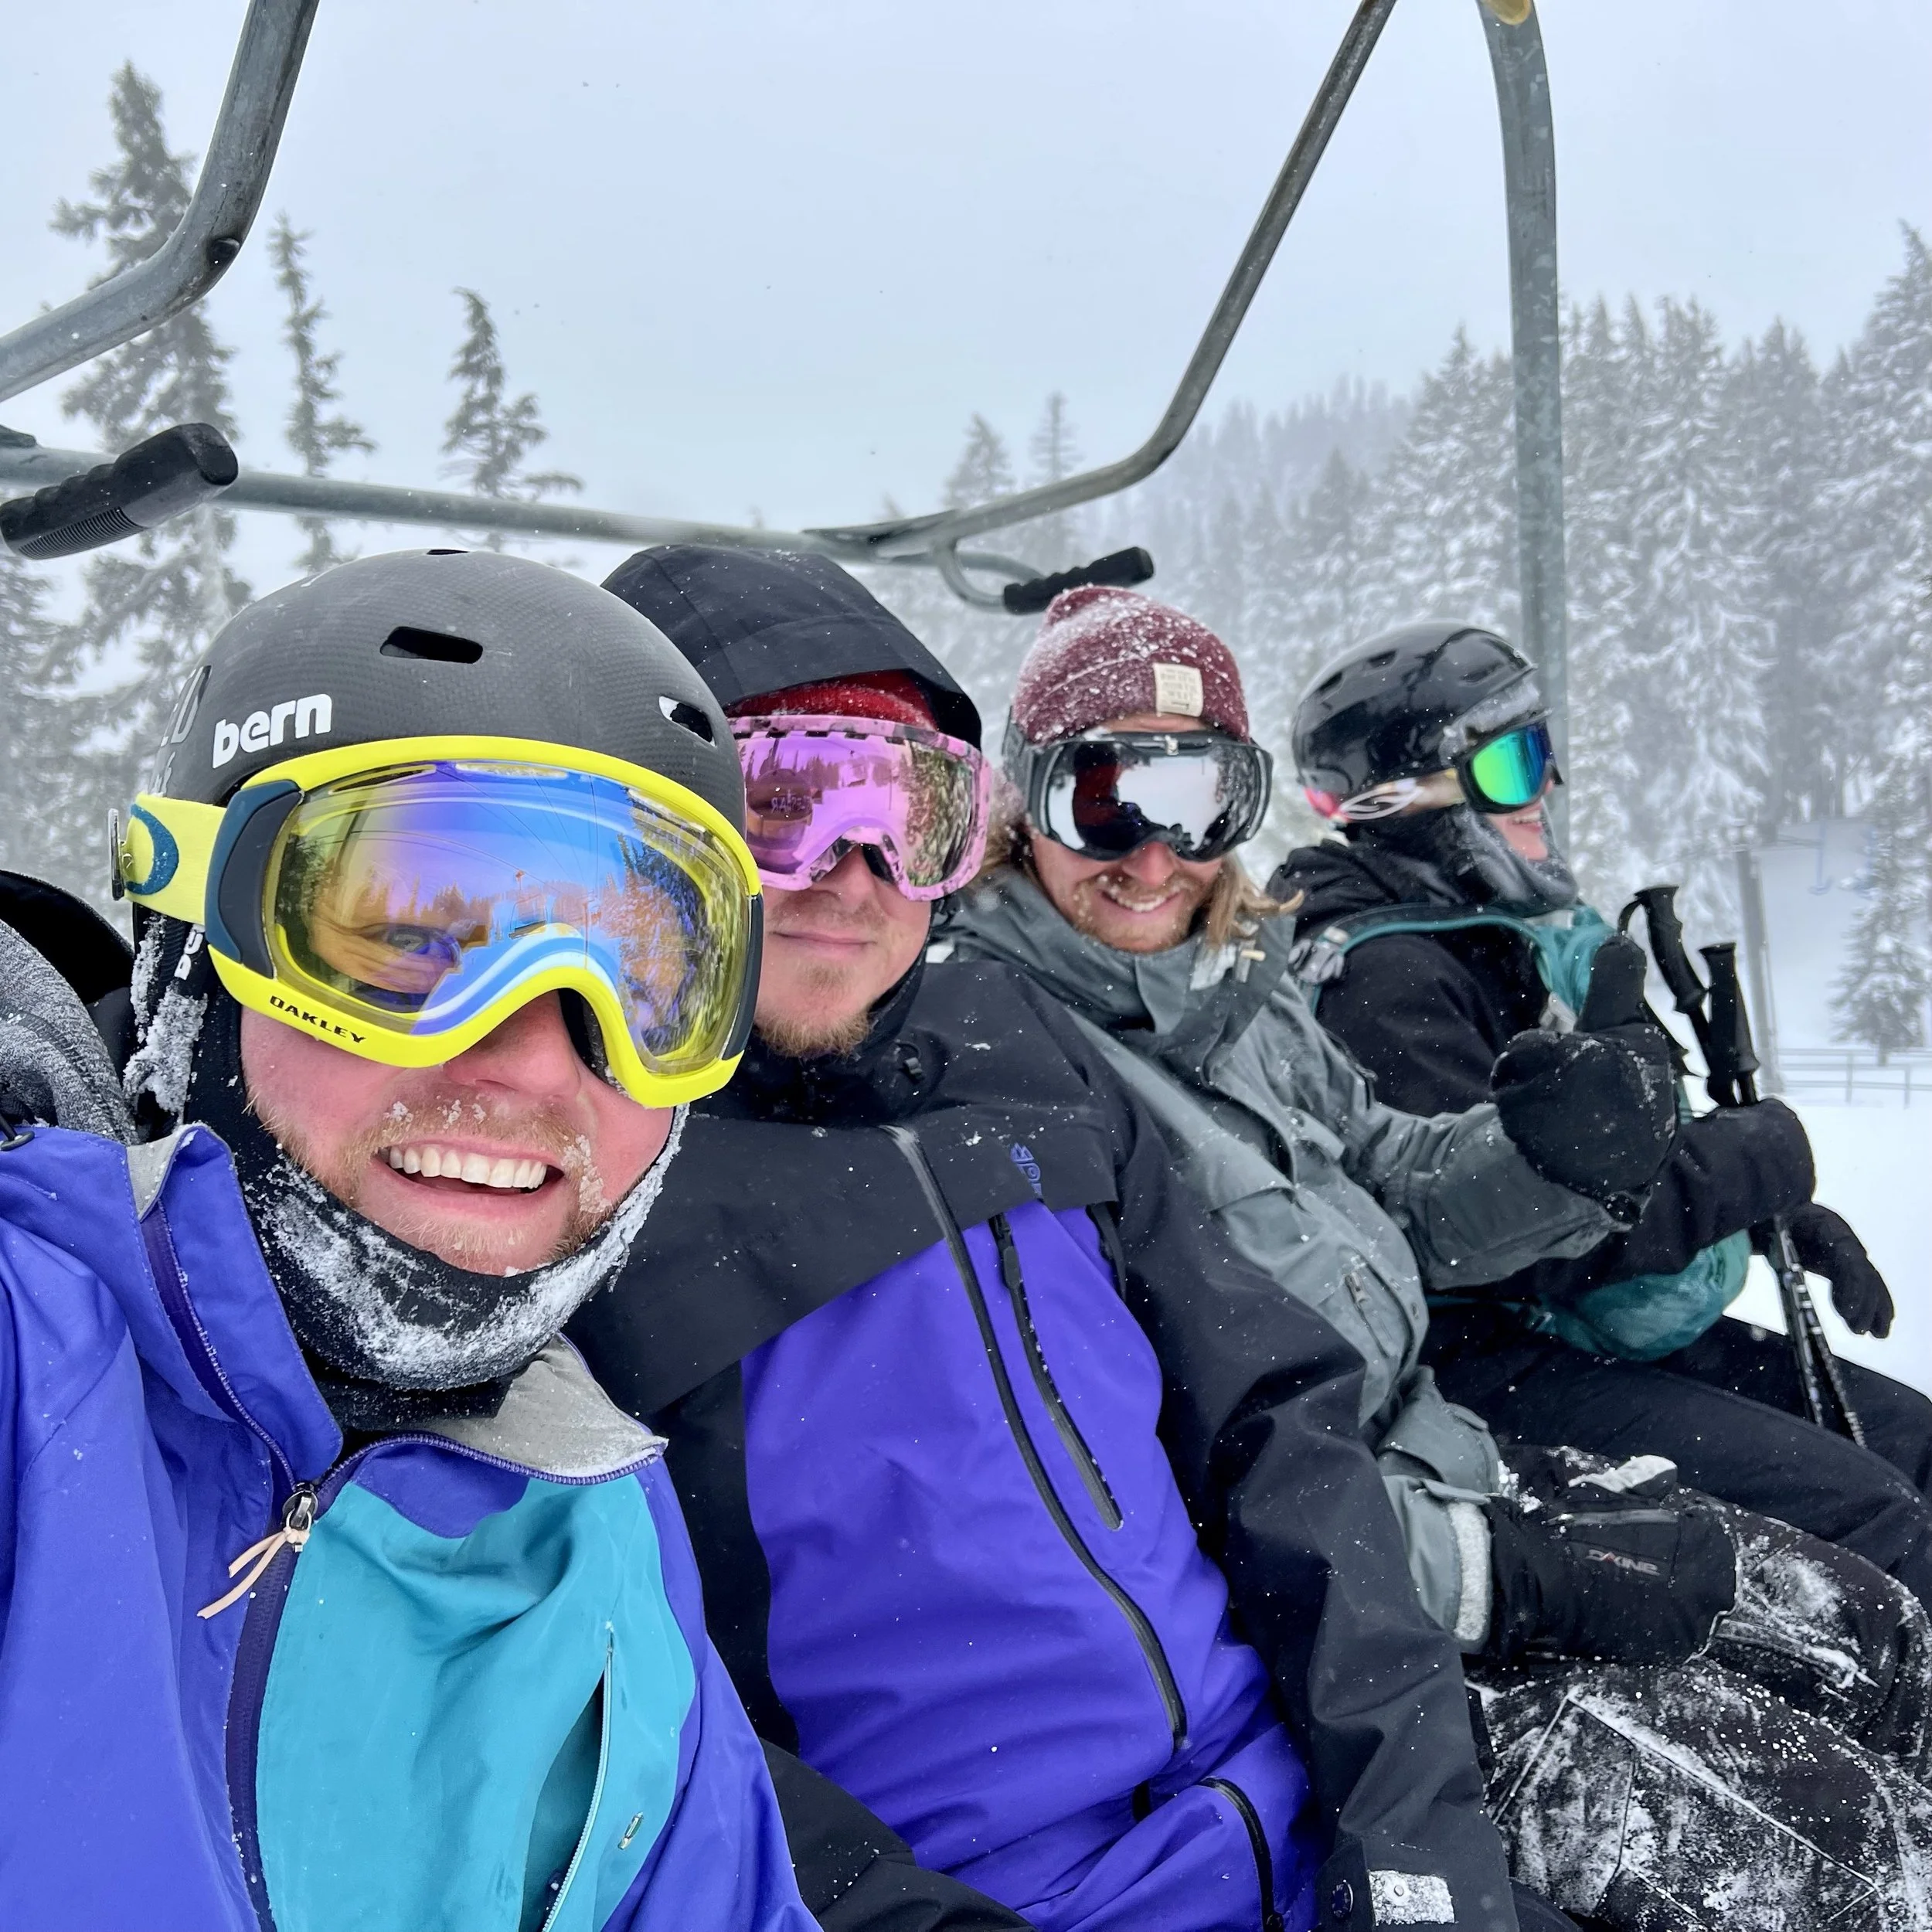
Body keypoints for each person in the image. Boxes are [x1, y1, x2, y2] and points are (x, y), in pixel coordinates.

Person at [571, 545, 1706, 1932]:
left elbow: (1275, 1423)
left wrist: (1552, 1159)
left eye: (906, 810)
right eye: (779, 805)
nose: (853, 876)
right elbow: (636, 1746)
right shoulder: (575, 1176)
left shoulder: (1073, 1040)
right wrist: (1489, 1575)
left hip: (1300, 1773)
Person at [945, 586, 1932, 1929]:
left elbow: (1401, 1187)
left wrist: (1550, 1158)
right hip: (1364, 1583)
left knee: (1872, 1636)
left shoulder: (1243, 1003)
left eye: (1204, 798)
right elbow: (1150, 1469)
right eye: (1103, 797)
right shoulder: (1015, 1067)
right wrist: (1491, 1569)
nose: (1155, 854)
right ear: (1022, 806)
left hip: (1459, 1457)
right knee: (1838, 1859)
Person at [0, 549, 818, 1932]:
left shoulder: (598, 1517)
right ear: (191, 955)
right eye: (411, 935)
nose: (534, 1064)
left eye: (642, 975)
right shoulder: (35, 1368)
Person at [1277, 621, 1932, 1607]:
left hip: (1579, 1328)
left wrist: (1764, 1221)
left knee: (1914, 1449)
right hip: (1484, 1363)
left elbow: (1607, 1161)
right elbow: (1509, 1238)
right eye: (1510, 762)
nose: (1544, 791)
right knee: (1870, 1517)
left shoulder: (1485, 939)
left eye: (1541, 752)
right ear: (1409, 801)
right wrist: (1748, 1168)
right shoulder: (1383, 978)